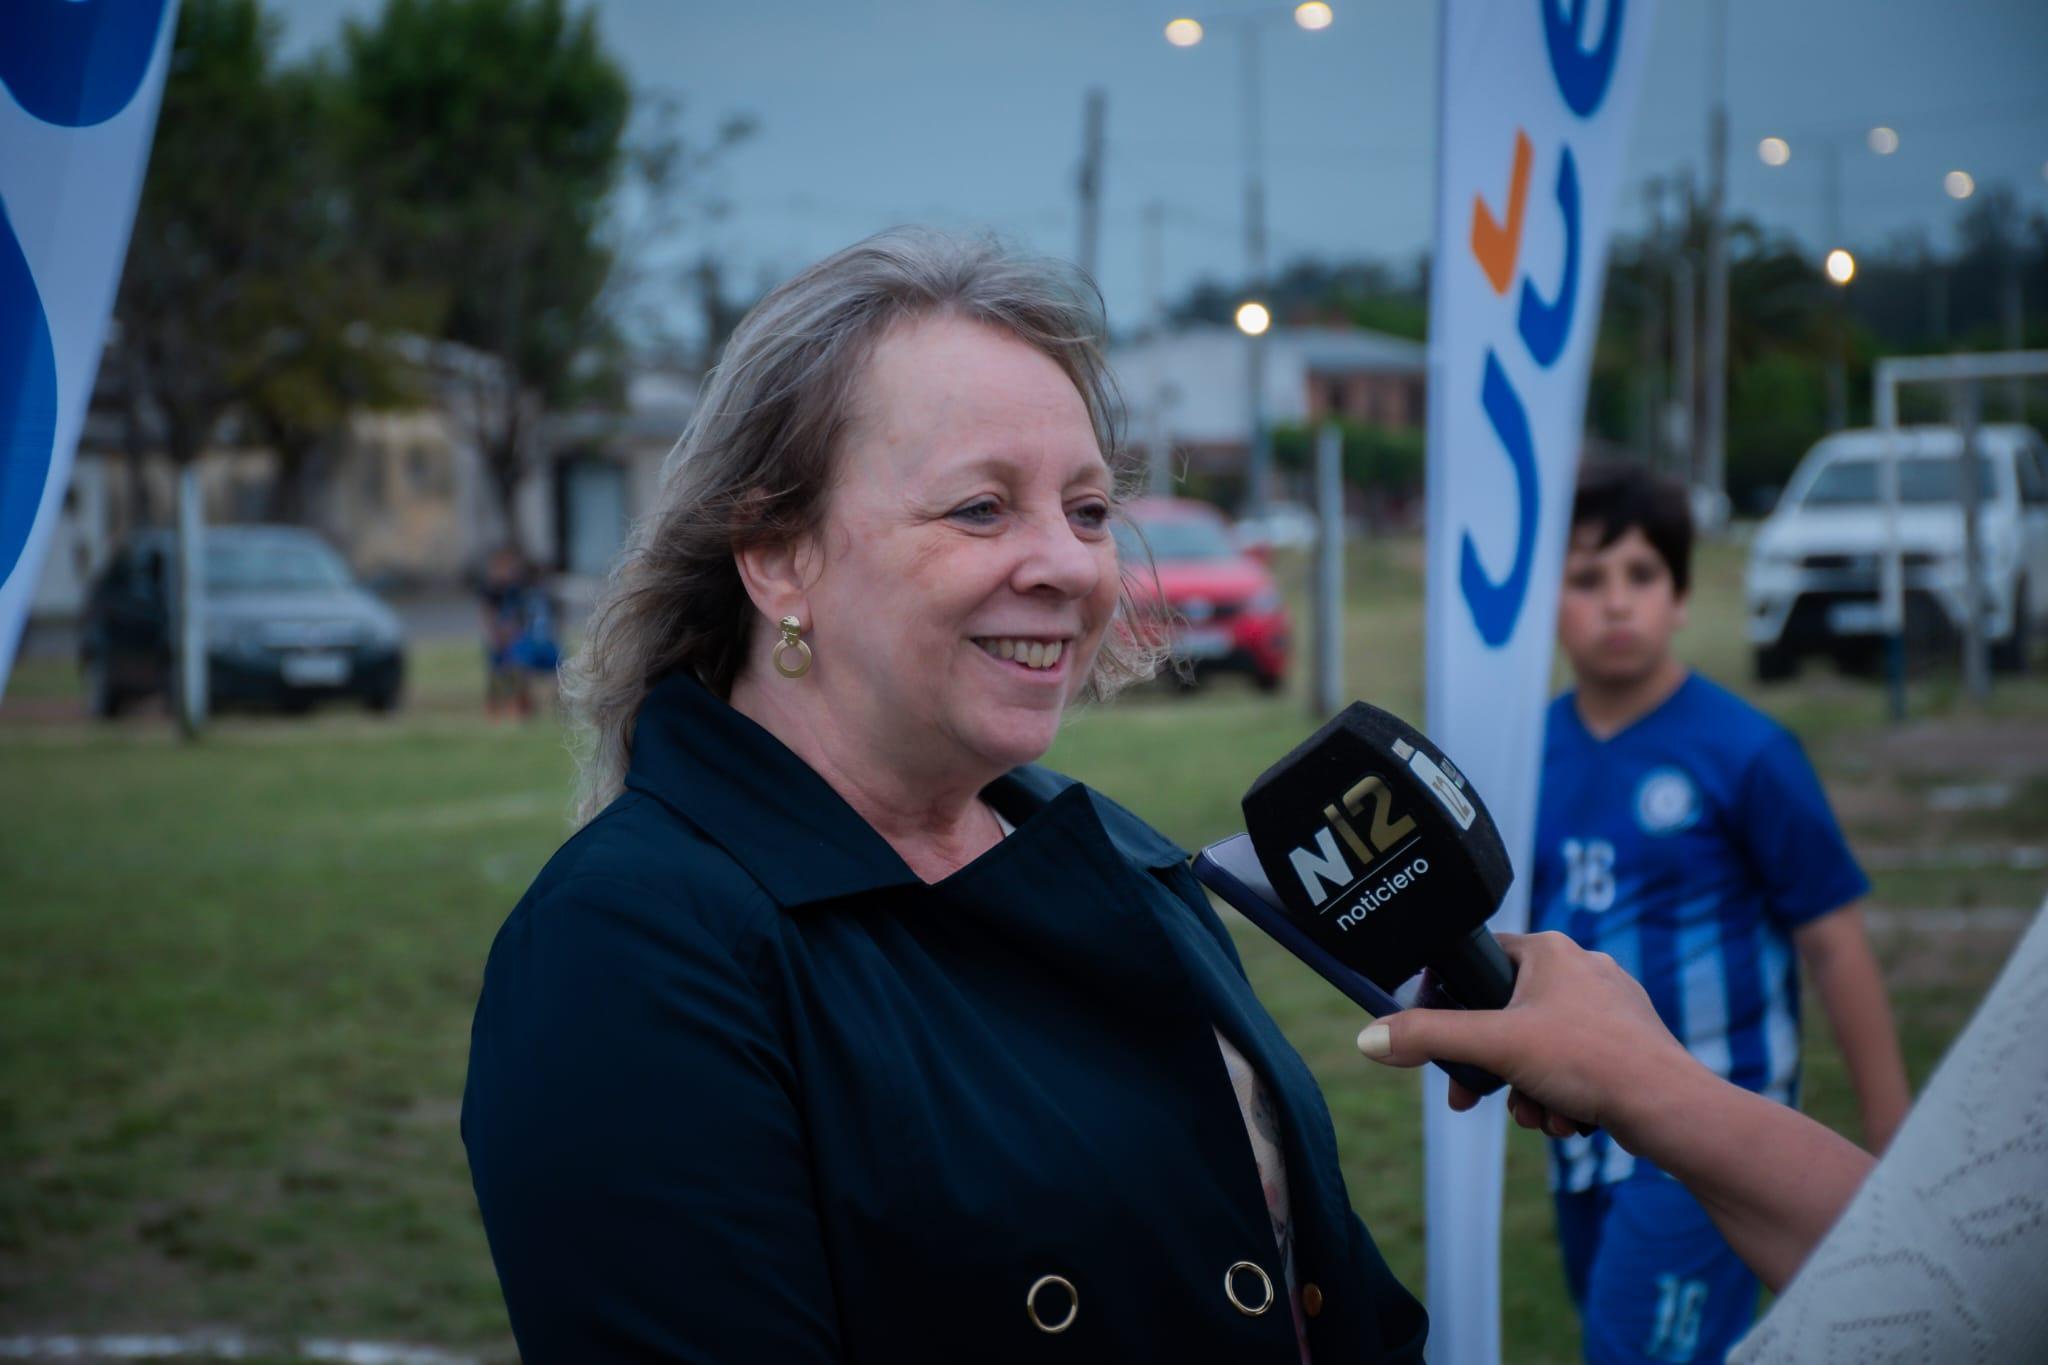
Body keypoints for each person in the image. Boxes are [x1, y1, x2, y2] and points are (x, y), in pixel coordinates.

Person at [461, 229, 1428, 1363]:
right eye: (980, 509)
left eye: (1085, 509)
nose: (1067, 566)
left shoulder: (1114, 855)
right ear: (777, 555)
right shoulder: (631, 948)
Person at [1526, 462, 1911, 1364]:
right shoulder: (1527, 753)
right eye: (1587, 579)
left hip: (1709, 1135)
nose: (1616, 603)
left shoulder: (1747, 752)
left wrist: (1896, 1139)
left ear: (1683, 595)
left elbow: (1835, 943)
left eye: (1641, 575)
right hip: (1581, 1136)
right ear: (1549, 600)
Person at [1355, 906, 2048, 1362]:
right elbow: (1941, 1269)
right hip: (1603, 1148)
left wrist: (1902, 1138)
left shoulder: (1745, 749)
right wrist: (1645, 1085)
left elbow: (1950, 1292)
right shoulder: (1555, 746)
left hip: (1686, 1165)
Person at [476, 546, 559, 720]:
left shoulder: (534, 592)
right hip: (514, 643)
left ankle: (557, 705)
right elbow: (494, 619)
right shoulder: (500, 591)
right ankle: (516, 705)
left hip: (535, 642)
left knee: (558, 661)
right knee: (515, 660)